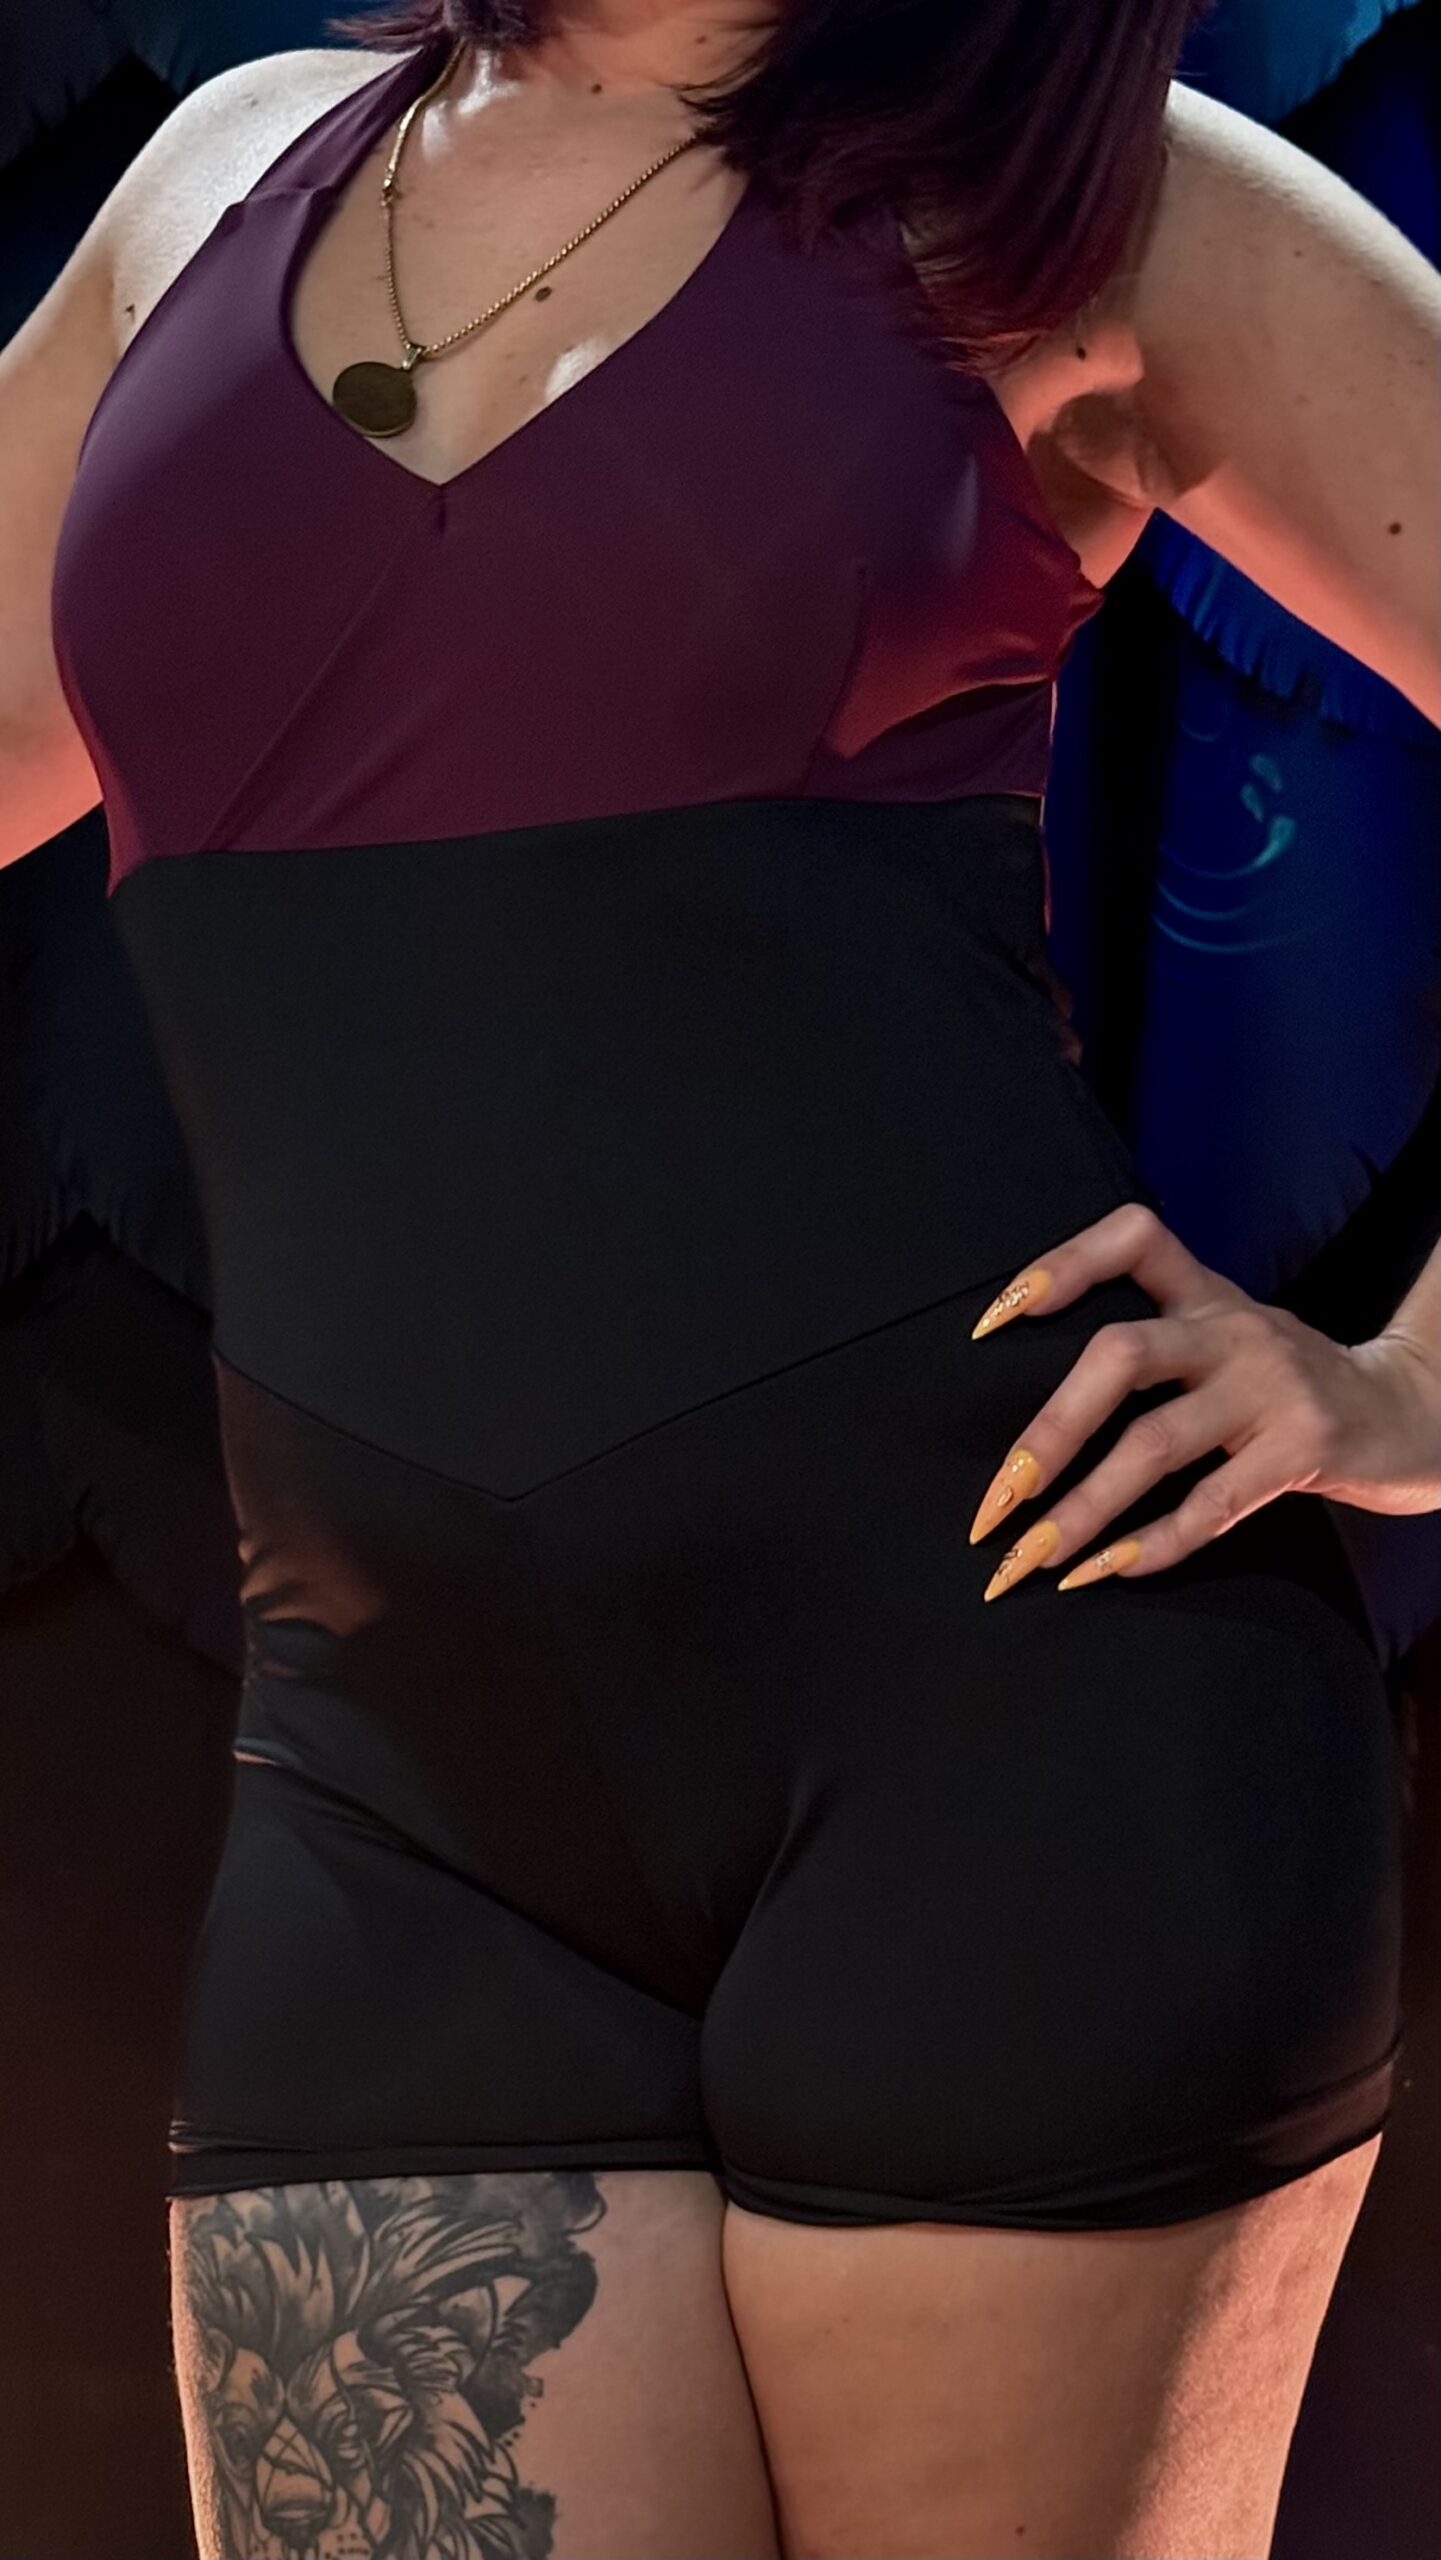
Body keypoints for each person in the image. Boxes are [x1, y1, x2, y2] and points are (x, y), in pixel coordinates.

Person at [2, 2, 1437, 2552]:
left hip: (1016, 1735)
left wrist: (1419, 1377)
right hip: (399, 1790)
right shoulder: (219, 183)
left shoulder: (1089, 201)